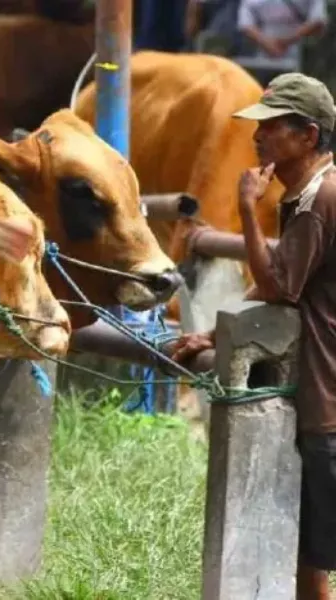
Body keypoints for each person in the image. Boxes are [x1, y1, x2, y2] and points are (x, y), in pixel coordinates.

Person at [171, 72, 336, 600]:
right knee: (311, 547)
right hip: (320, 389)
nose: (257, 135)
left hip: (327, 397)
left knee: (318, 546)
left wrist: (245, 206)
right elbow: (287, 286)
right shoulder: (311, 196)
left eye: (271, 126)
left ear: (309, 136)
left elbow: (281, 285)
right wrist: (217, 338)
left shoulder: (315, 203)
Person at [237, 0, 328, 62]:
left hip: (302, 49)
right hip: (262, 51)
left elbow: (318, 20)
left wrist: (287, 40)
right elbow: (245, 23)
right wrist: (265, 42)